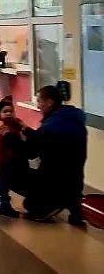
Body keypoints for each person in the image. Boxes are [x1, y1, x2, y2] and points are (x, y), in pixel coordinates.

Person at [23, 85, 88, 224]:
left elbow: (33, 149)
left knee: (11, 172)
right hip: (75, 181)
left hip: (54, 180)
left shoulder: (53, 126)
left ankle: (51, 206)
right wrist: (26, 130)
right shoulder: (73, 119)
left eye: (40, 101)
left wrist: (10, 135)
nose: (38, 105)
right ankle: (74, 209)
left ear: (49, 102)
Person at [0, 96, 31, 218]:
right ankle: (4, 204)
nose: (9, 114)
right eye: (5, 111)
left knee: (2, 182)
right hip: (4, 160)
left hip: (6, 160)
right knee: (5, 182)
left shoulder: (13, 124)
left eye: (11, 111)